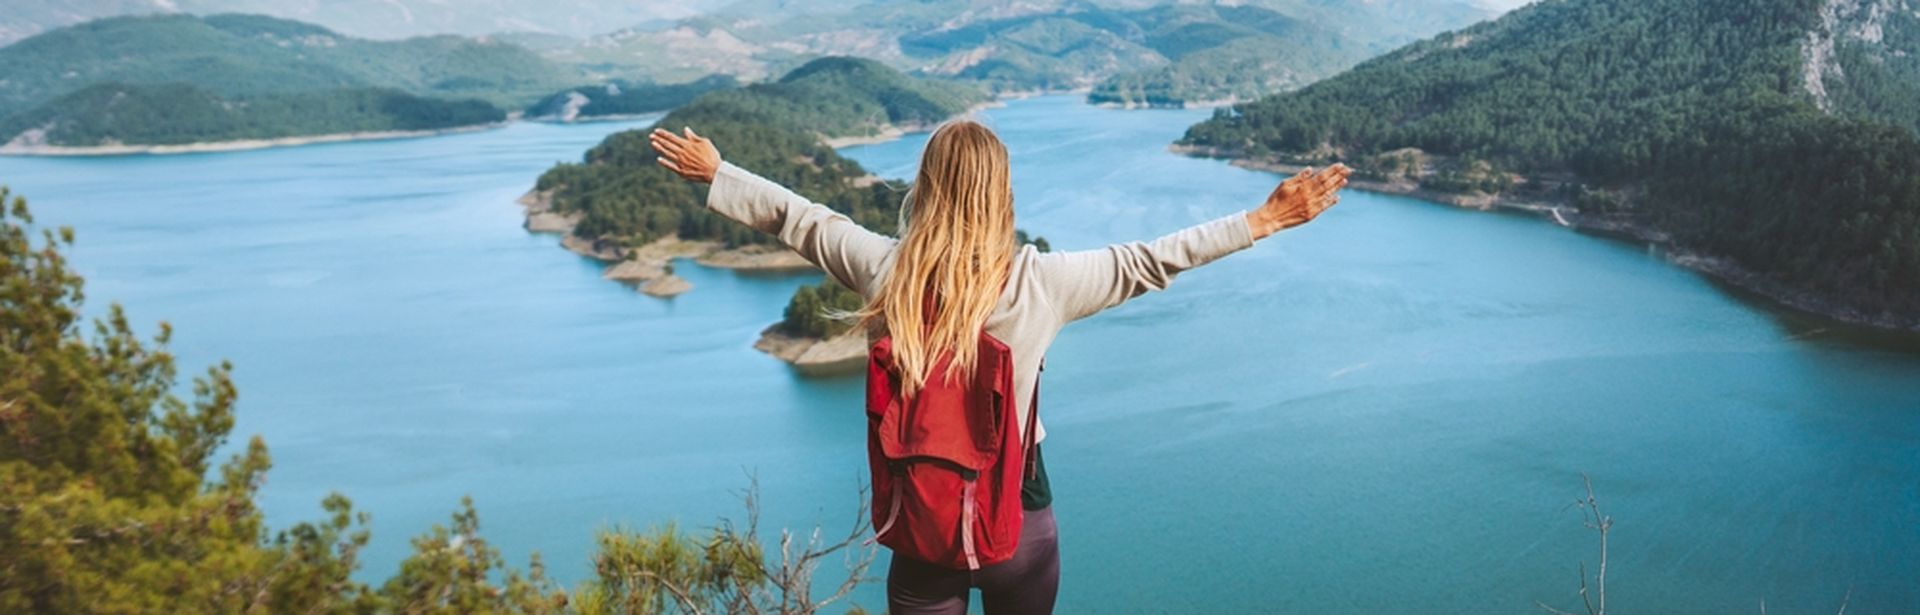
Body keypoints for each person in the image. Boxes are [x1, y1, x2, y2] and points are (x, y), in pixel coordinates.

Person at [649, 119, 1350, 615]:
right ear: (1000, 193)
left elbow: (799, 218)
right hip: (1019, 524)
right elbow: (1151, 260)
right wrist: (1263, 219)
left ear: (926, 185)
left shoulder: (884, 268)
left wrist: (719, 173)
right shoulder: (1039, 282)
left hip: (923, 533)